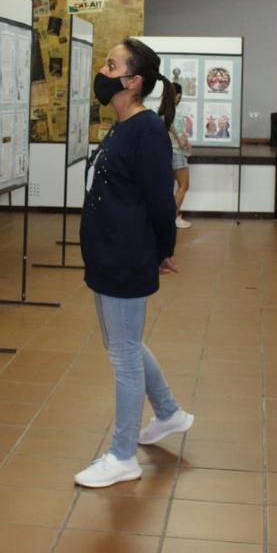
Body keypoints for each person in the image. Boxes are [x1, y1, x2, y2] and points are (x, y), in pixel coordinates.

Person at [75, 38, 194, 489]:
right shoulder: (123, 125)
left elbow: (161, 203)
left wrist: (163, 251)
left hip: (125, 257)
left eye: (111, 65)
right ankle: (168, 412)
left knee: (123, 355)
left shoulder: (145, 131)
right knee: (124, 342)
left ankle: (123, 455)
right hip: (110, 253)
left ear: (133, 80)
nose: (102, 72)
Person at [168, 82, 192, 229]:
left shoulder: (162, 111)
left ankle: (169, 217)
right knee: (184, 185)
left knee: (169, 187)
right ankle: (174, 217)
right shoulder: (176, 113)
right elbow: (181, 138)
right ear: (178, 96)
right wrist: (187, 146)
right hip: (177, 153)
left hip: (166, 153)